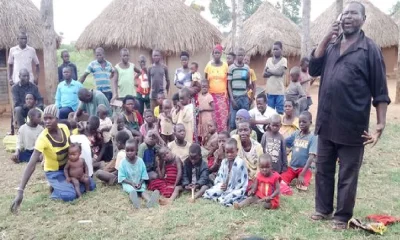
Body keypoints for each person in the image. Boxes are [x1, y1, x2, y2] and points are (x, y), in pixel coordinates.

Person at [309, 2, 391, 229]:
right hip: (326, 121)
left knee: (347, 173)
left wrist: (380, 123)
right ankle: (323, 209)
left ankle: (342, 216)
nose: (347, 17)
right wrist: (326, 38)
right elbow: (313, 69)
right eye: (344, 13)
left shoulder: (369, 49)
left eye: (353, 13)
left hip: (353, 125)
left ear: (363, 19)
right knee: (323, 168)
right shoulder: (332, 45)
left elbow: (380, 89)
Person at [10, 105, 96, 214]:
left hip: (68, 170)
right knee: (69, 195)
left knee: (91, 184)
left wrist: (79, 169)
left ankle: (64, 187)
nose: (47, 121)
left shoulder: (64, 128)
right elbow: (31, 164)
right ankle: (57, 189)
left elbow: (71, 148)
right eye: (45, 118)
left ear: (57, 118)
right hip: (54, 172)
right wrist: (20, 191)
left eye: (50, 118)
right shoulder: (43, 138)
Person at [203, 138, 248, 206]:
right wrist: (223, 185)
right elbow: (219, 177)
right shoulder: (224, 162)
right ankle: (222, 196)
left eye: (232, 152)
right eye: (227, 152)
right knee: (210, 192)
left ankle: (224, 198)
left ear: (237, 151)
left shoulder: (240, 163)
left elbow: (242, 182)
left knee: (233, 195)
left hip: (236, 189)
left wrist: (230, 187)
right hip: (225, 188)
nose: (229, 155)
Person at [118, 139, 160, 209]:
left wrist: (140, 182)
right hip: (128, 183)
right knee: (132, 191)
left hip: (139, 182)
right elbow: (121, 177)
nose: (129, 153)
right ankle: (136, 202)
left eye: (132, 151)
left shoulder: (140, 161)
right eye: (127, 151)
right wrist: (131, 183)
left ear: (136, 151)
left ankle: (150, 201)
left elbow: (144, 174)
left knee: (143, 191)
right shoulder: (123, 162)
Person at [281, 112, 317, 191]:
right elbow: (284, 142)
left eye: (304, 122)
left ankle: (302, 178)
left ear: (310, 123)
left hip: (305, 169)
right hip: (292, 167)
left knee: (302, 187)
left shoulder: (313, 137)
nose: (301, 124)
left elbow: (311, 157)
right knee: (281, 181)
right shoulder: (295, 134)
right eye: (300, 121)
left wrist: (302, 174)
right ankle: (290, 180)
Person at [204, 45, 229, 132]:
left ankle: (222, 136)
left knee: (223, 118)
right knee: (213, 117)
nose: (217, 54)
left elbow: (228, 81)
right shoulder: (208, 65)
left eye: (218, 53)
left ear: (221, 54)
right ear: (213, 54)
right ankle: (213, 137)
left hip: (222, 96)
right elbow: (206, 80)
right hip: (211, 96)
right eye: (215, 53)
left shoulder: (225, 65)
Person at [228, 47, 251, 130]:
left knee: (245, 120)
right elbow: (229, 84)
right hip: (235, 97)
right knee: (233, 123)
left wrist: (247, 95)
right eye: (238, 55)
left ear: (244, 56)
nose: (240, 57)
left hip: (244, 98)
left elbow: (248, 84)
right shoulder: (231, 68)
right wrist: (232, 99)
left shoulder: (247, 68)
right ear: (236, 56)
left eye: (242, 55)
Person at [263, 41, 287, 114]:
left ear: (281, 50)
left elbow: (280, 73)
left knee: (280, 111)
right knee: (270, 111)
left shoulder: (284, 60)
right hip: (270, 91)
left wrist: (269, 70)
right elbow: (264, 74)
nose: (275, 51)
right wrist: (275, 72)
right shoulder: (269, 60)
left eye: (277, 49)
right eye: (273, 49)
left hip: (279, 91)